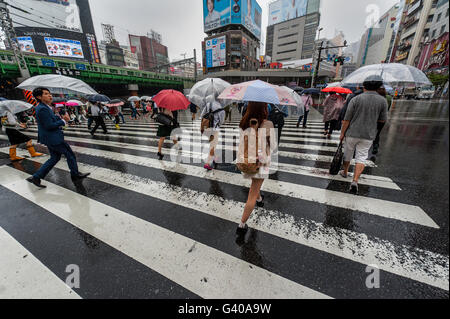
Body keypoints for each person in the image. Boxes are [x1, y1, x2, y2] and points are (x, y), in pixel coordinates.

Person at [26, 87, 90, 188]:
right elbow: (49, 125)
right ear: (39, 96)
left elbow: (51, 120)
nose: (50, 95)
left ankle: (37, 177)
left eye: (49, 93)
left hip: (50, 138)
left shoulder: (45, 107)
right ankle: (75, 175)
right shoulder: (42, 108)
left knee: (55, 157)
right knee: (70, 155)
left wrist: (62, 118)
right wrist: (63, 121)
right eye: (46, 94)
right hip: (53, 138)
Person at [339, 75, 388, 194]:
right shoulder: (383, 101)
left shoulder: (356, 99)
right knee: (361, 156)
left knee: (348, 153)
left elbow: (346, 119)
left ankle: (345, 172)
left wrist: (342, 133)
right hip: (368, 134)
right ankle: (355, 180)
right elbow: (382, 120)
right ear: (378, 86)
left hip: (352, 132)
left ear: (364, 86)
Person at [236, 102, 275, 238]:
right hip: (261, 162)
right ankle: (241, 225)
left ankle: (259, 199)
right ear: (264, 109)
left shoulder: (244, 123)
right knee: (252, 192)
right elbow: (273, 146)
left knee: (254, 185)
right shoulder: (268, 124)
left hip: (247, 161)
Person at [201, 98, 225, 171]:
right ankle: (207, 163)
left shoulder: (209, 104)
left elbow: (202, 115)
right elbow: (221, 122)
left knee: (212, 144)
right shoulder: (221, 109)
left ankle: (215, 158)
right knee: (213, 146)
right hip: (215, 130)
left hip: (207, 128)